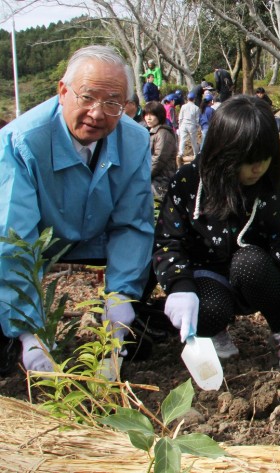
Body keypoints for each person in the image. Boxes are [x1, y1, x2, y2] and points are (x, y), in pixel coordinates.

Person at [0, 45, 154, 373]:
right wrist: (29, 329)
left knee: (151, 255)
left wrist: (121, 298)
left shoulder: (137, 140)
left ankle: (127, 328)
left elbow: (133, 223)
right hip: (43, 240)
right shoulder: (21, 141)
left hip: (97, 238)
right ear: (62, 91)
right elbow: (15, 237)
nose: (97, 113)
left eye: (112, 102)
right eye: (87, 97)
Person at [153, 95, 280, 371]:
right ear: (223, 153)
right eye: (248, 160)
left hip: (258, 280)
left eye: (265, 158)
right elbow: (169, 241)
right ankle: (213, 330)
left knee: (250, 262)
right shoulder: (189, 182)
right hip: (208, 278)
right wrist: (179, 287)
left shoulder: (270, 193)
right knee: (207, 307)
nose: (258, 169)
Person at [144, 101, 178, 203]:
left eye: (152, 115)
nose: (148, 118)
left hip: (161, 181)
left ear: (160, 115)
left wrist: (144, 176)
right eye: (146, 114)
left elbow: (158, 159)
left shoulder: (163, 133)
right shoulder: (152, 132)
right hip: (154, 180)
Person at [177, 91, 200, 167]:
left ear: (187, 98)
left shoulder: (183, 106)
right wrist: (197, 126)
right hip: (192, 125)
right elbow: (197, 119)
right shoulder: (196, 108)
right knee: (193, 140)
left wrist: (179, 126)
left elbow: (180, 117)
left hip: (184, 124)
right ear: (194, 99)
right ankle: (195, 154)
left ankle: (180, 153)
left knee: (182, 140)